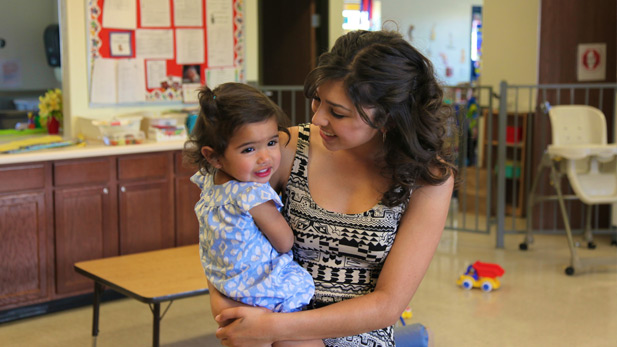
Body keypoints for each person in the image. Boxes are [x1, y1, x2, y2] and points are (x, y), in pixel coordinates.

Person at [209, 30, 456, 346]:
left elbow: (387, 305)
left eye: (337, 112)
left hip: (355, 332)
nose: (318, 118)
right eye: (318, 101)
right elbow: (221, 235)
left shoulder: (426, 179)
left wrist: (275, 329)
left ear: (389, 119)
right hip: (274, 320)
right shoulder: (287, 149)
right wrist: (231, 315)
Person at [184, 83, 323, 347]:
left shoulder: (209, 182)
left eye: (271, 142)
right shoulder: (253, 195)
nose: (266, 158)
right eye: (249, 149)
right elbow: (285, 242)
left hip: (228, 287)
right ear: (213, 156)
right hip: (264, 288)